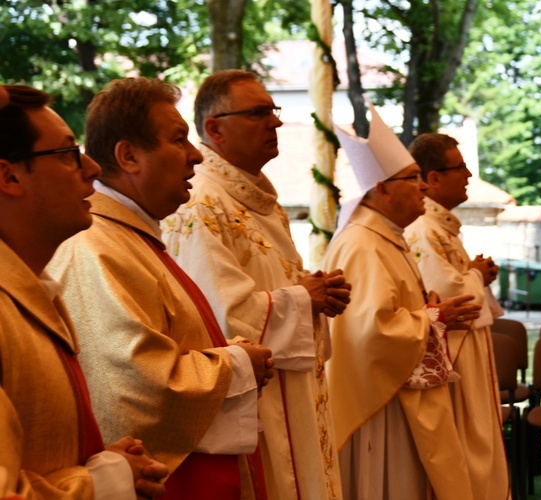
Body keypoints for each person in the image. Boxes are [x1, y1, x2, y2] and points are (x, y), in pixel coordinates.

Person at [47, 77, 275, 500]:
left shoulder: (131, 236)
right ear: (129, 156)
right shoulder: (97, 247)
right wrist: (239, 363)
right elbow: (136, 387)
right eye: (179, 139)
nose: (194, 157)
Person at [161, 69, 350, 499]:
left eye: (274, 110)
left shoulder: (257, 198)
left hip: (296, 390)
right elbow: (219, 315)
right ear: (214, 128)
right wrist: (304, 298)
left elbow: (267, 283)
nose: (276, 122)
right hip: (259, 398)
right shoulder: (199, 203)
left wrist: (312, 292)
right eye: (259, 112)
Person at [0, 84, 169, 498]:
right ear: (10, 176)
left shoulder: (29, 288)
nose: (92, 168)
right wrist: (106, 479)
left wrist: (98, 461)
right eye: (66, 154)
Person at [322, 102, 480, 499]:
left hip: (400, 395)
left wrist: (426, 313)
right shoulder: (362, 244)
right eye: (413, 178)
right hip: (381, 407)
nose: (424, 187)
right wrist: (433, 316)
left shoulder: (387, 236)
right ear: (381, 190)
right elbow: (370, 333)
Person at [403, 133, 510, 500]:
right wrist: (476, 275)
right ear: (433, 179)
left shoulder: (443, 227)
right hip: (454, 355)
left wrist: (478, 274)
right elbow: (451, 300)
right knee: (467, 447)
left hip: (469, 352)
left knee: (480, 442)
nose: (467, 175)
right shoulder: (423, 230)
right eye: (460, 167)